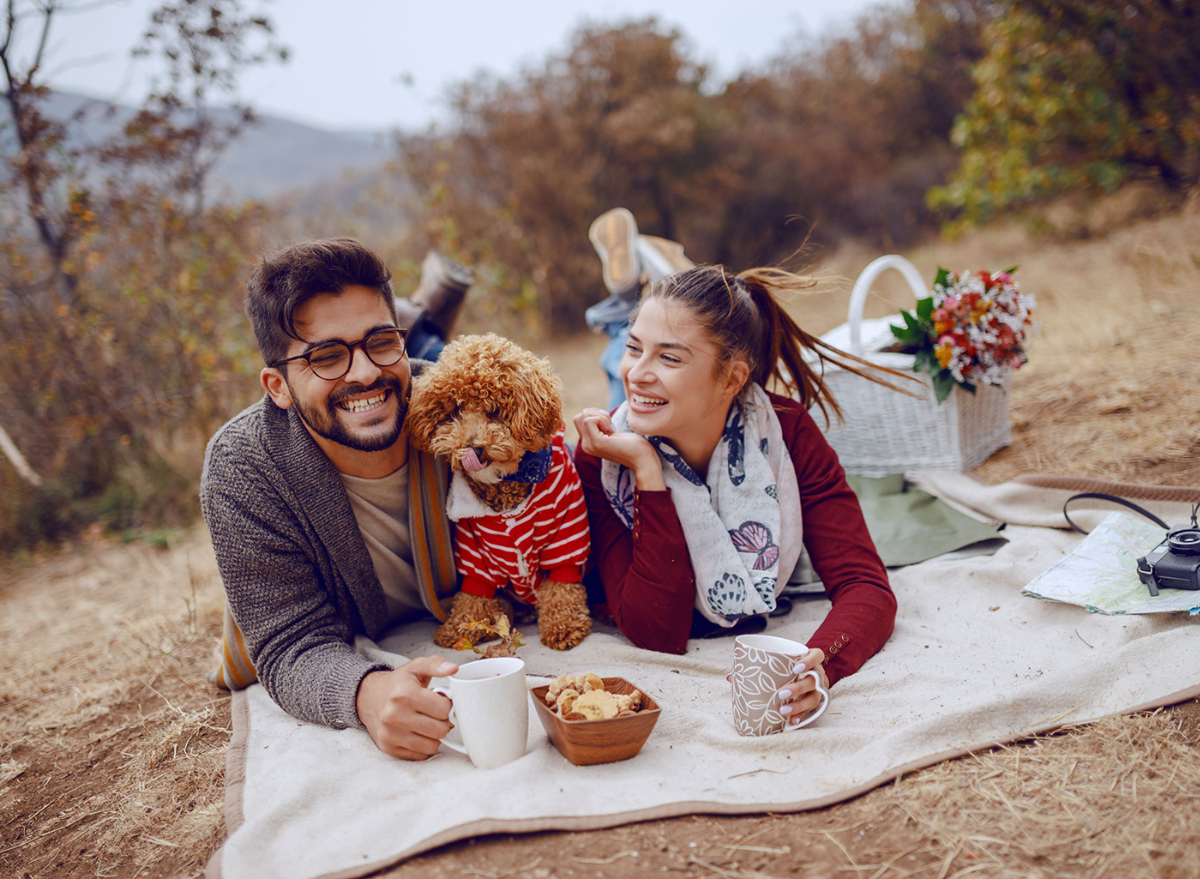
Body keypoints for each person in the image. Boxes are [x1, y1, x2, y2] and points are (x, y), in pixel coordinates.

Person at [572, 264, 899, 727]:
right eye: (633, 348)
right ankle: (626, 291)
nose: (637, 373)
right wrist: (647, 472)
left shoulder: (787, 435)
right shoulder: (602, 458)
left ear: (731, 379)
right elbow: (657, 632)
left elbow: (866, 585)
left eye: (669, 357)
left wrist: (819, 664)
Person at [200, 237, 465, 761]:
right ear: (277, 386)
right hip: (325, 637)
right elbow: (290, 642)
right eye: (327, 356)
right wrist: (368, 694)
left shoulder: (459, 404)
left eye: (381, 342)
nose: (364, 372)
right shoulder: (243, 465)